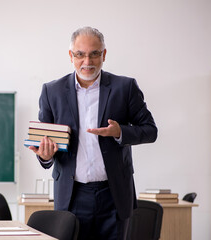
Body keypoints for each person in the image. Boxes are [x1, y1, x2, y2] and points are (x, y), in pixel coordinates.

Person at [28, 26, 157, 240]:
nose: (87, 61)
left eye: (94, 54)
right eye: (80, 54)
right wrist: (45, 155)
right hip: (72, 195)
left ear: (104, 54)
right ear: (71, 56)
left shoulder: (124, 87)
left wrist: (120, 133)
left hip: (113, 194)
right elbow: (45, 141)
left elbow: (150, 130)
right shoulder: (52, 91)